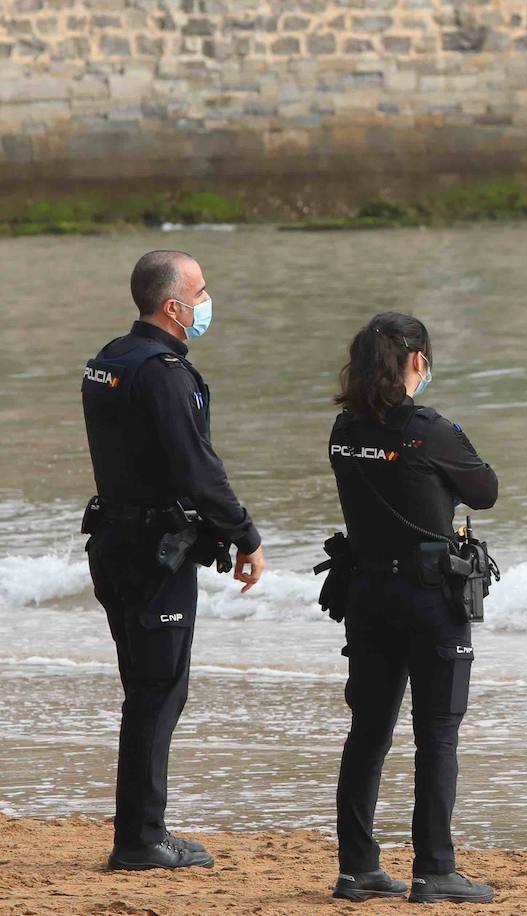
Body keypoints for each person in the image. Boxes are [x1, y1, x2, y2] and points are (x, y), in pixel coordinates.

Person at [81, 250, 266, 870]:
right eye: (202, 292)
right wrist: (245, 534)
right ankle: (140, 839)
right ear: (173, 306)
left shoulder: (107, 359)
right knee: (160, 693)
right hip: (151, 556)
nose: (207, 302)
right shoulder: (163, 372)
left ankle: (139, 829)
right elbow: (198, 468)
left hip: (113, 546)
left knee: (144, 690)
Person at [326, 312, 499, 903]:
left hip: (368, 593)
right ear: (417, 362)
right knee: (438, 734)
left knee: (368, 731)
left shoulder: (343, 428)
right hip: (429, 596)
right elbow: (486, 490)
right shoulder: (431, 430)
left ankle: (357, 868)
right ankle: (434, 870)